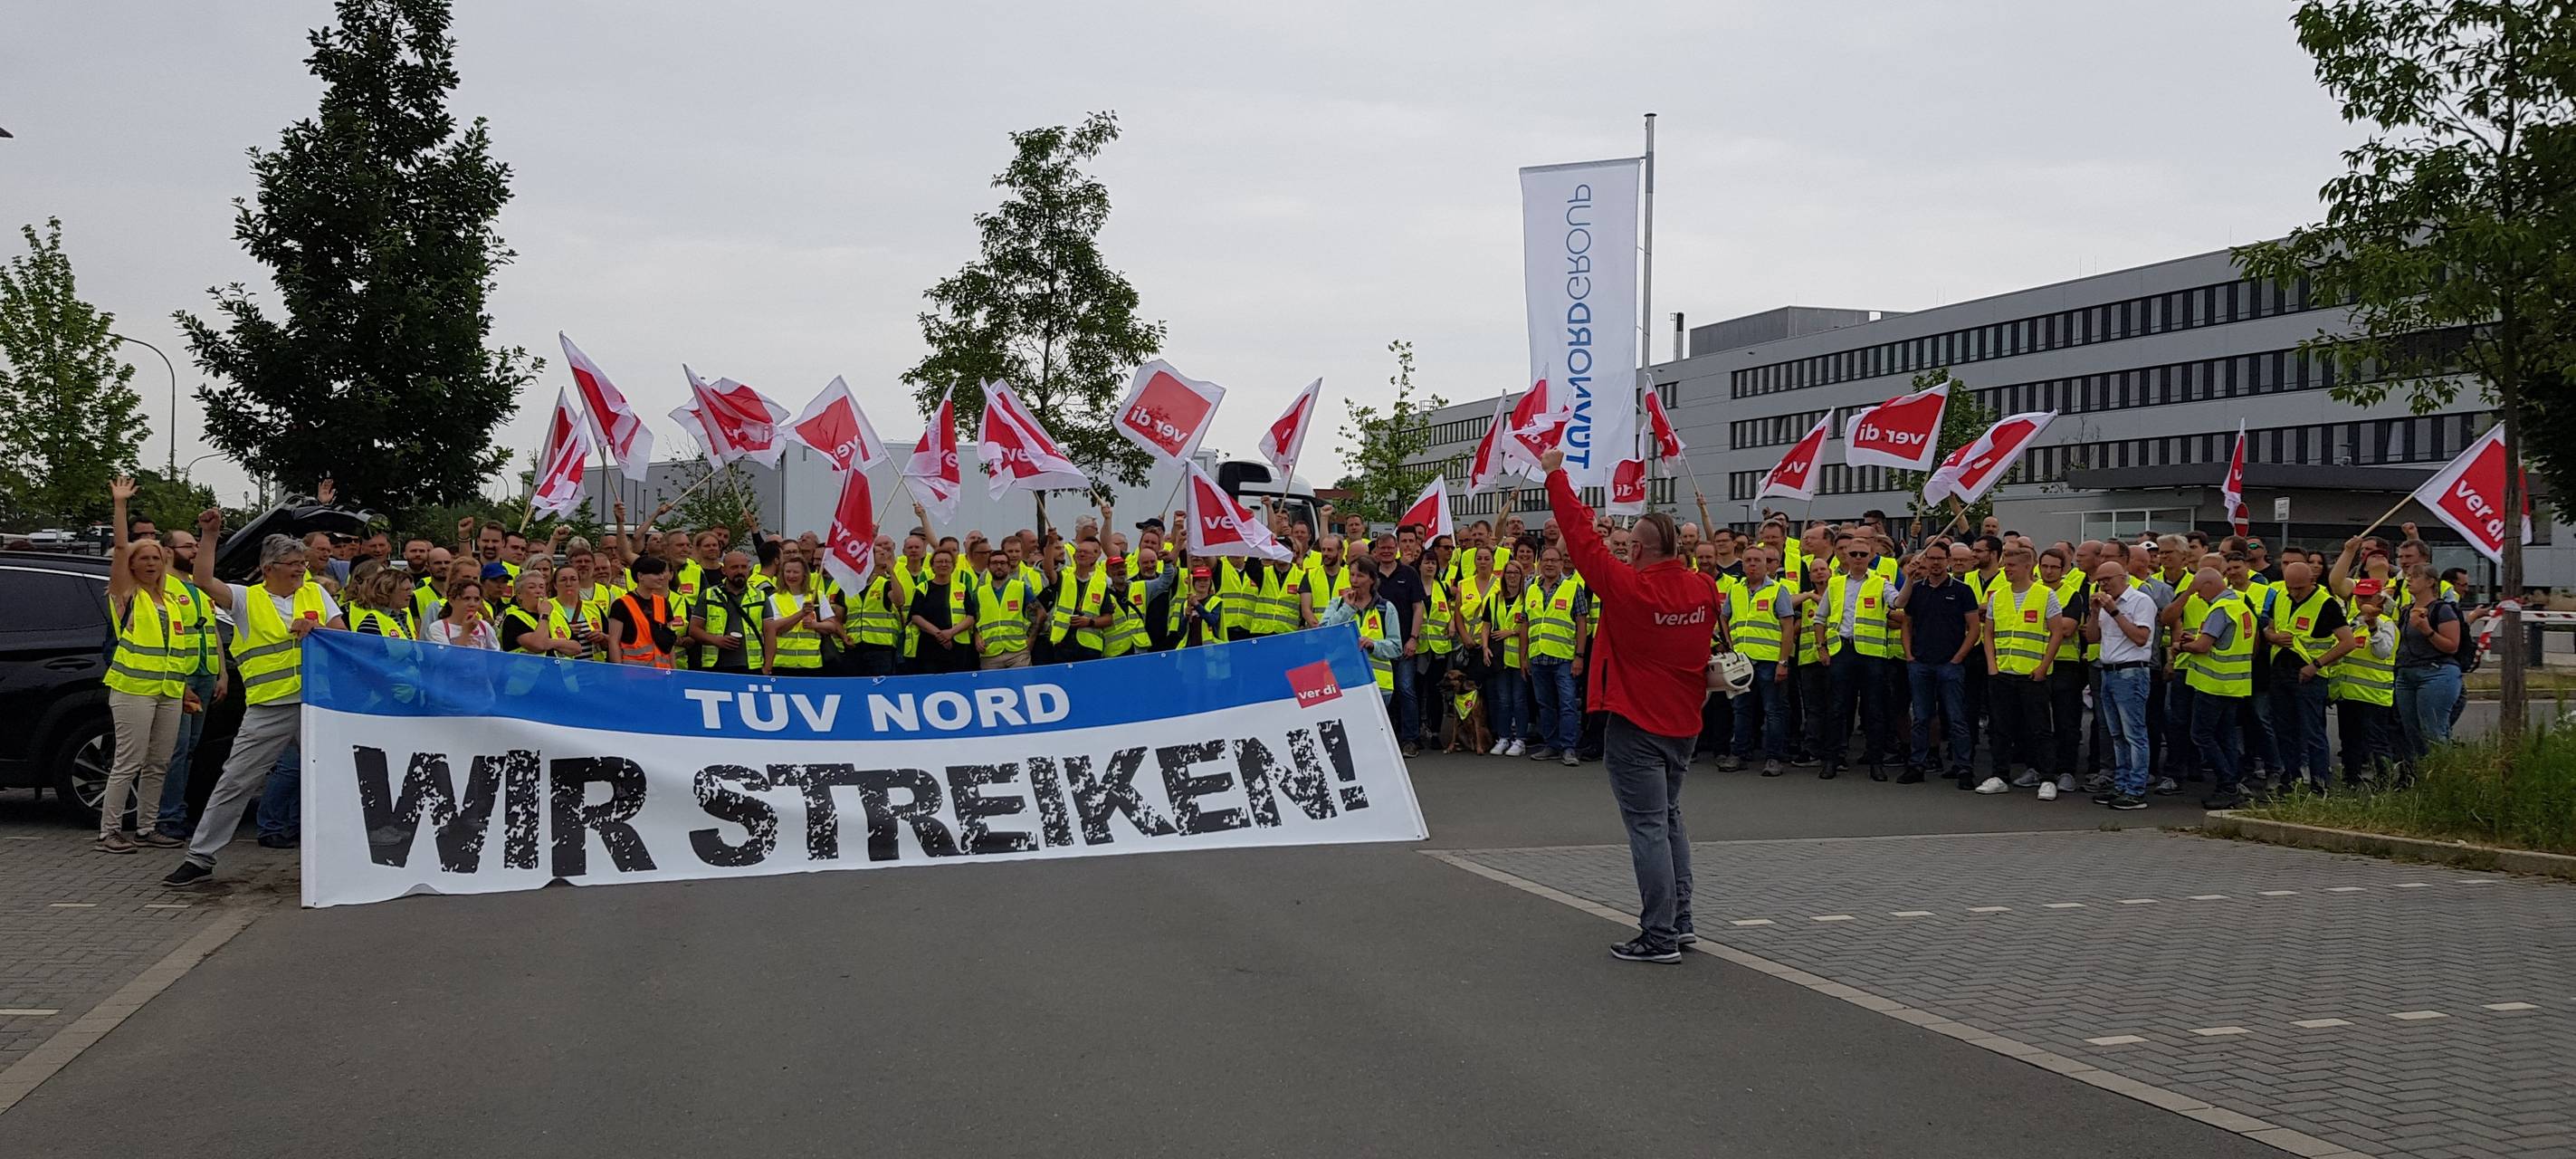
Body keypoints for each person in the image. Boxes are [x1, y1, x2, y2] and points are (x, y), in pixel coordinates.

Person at [1537, 447, 1723, 964]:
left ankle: (1659, 935)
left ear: (1637, 550)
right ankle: (1680, 922)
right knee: (1669, 819)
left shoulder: (1629, 588)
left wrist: (1556, 475)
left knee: (1648, 828)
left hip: (1636, 722)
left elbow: (1580, 537)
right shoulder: (1704, 588)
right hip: (1685, 721)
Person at [165, 514, 347, 887]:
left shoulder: (317, 593)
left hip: (317, 704)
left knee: (338, 777)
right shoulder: (248, 599)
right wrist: (209, 536)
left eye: (302, 563)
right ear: (268, 568)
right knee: (235, 781)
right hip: (270, 707)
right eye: (293, 564)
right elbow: (203, 580)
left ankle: (350, 855)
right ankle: (199, 858)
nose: (301, 570)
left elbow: (344, 638)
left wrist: (317, 629)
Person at [99, 479, 192, 854]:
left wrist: (183, 687)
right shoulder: (127, 593)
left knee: (159, 762)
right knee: (129, 761)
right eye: (144, 558)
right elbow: (122, 548)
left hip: (168, 690)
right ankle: (108, 832)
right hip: (133, 689)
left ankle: (147, 828)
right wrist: (120, 505)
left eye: (156, 558)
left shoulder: (169, 599)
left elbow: (173, 650)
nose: (151, 563)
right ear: (132, 565)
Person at [1976, 544, 2066, 795]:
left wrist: (2043, 667)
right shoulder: (1997, 597)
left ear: (2028, 567)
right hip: (2002, 672)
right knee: (2000, 728)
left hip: (2032, 673)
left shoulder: (2045, 595)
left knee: (2039, 728)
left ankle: (2047, 777)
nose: (2006, 570)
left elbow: (2057, 633)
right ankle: (1999, 775)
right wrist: (1992, 665)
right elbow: (1989, 632)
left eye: (2012, 566)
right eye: (2005, 565)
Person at [2259, 561, 2350, 793]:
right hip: (2280, 672)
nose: (2294, 592)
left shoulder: (2326, 604)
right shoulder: (2281, 597)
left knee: (2312, 732)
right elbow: (2270, 628)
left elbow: (2347, 642)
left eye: (2299, 588)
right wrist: (2273, 637)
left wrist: (2316, 665)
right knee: (2284, 730)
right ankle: (2291, 779)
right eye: (2290, 587)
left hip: (2309, 675)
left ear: (2312, 581)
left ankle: (2320, 784)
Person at [1896, 544, 1981, 788]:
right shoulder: (1916, 590)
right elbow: (1906, 623)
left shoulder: (1962, 590)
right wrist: (1909, 655)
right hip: (1920, 663)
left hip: (1950, 664)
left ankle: (1963, 768)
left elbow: (1974, 627)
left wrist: (1959, 657)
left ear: (1948, 560)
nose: (1935, 563)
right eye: (1930, 559)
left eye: (1940, 559)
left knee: (1956, 718)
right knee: (1921, 717)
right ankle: (1917, 765)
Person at [2178, 567, 2256, 809]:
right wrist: (2197, 641)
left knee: (2201, 735)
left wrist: (2182, 647)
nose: (2198, 596)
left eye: (2198, 590)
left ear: (2209, 585)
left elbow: (2202, 647)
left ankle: (2227, 784)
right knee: (2226, 736)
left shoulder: (2220, 609)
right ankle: (2234, 782)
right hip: (2234, 685)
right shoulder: (2241, 606)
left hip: (2212, 684)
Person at [2082, 561, 2157, 810]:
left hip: (2131, 671)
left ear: (2123, 577)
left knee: (2134, 734)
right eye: (2099, 581)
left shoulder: (2140, 601)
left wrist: (2114, 612)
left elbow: (2140, 638)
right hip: (2108, 671)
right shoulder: (2105, 605)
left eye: (2108, 579)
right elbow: (2092, 638)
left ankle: (2136, 789)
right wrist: (2095, 613)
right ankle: (2121, 783)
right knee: (2116, 734)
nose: (2103, 585)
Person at [1722, 545, 1797, 775]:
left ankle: (1774, 757)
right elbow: (1724, 617)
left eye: (1757, 560)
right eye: (1748, 560)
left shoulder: (1778, 590)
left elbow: (1788, 627)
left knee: (1773, 711)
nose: (1752, 564)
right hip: (1741, 661)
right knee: (1741, 709)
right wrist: (1730, 645)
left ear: (1767, 565)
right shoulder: (1735, 589)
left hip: (1769, 661)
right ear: (1742, 564)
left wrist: (1783, 662)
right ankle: (1739, 754)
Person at [2391, 559, 2464, 764]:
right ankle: (2422, 772)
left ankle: (2442, 772)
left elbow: (2452, 646)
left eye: (2415, 577)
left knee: (2433, 731)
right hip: (2406, 674)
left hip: (2435, 672)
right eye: (2408, 577)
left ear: (2430, 582)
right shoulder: (2406, 610)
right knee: (2411, 731)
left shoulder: (2442, 609)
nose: (2409, 581)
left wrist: (2426, 630)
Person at [1522, 545, 1586, 765]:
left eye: (1553, 560)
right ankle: (1551, 745)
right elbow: (1526, 624)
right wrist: (1523, 657)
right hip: (1538, 657)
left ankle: (1568, 748)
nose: (1549, 564)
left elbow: (1581, 623)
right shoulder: (1531, 589)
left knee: (1567, 704)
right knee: (1545, 704)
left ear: (1561, 563)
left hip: (1564, 658)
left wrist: (1579, 656)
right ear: (1539, 564)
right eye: (1545, 560)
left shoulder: (1573, 588)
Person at [2331, 580, 2399, 784]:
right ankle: (2351, 780)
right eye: (2359, 596)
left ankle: (2384, 782)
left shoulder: (2386, 623)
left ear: (2379, 599)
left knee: (2377, 742)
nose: (2362, 600)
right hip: (2348, 694)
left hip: (2374, 695)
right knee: (2350, 741)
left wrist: (2373, 627)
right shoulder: (2352, 622)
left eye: (2367, 597)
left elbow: (2383, 652)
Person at [1317, 557, 1402, 714]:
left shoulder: (1386, 608)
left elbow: (1396, 648)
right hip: (1341, 683)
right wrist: (1347, 609)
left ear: (1372, 579)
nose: (1354, 580)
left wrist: (1374, 645)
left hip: (1377, 685)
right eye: (1352, 575)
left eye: (1360, 576)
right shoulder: (1337, 604)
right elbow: (1323, 636)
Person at [689, 551, 765, 674]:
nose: (740, 571)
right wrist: (716, 640)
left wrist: (767, 667)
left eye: (744, 567)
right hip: (715, 667)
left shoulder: (760, 597)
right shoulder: (709, 595)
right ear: (724, 571)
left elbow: (769, 633)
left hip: (752, 667)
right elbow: (694, 630)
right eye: (734, 567)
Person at [761, 554, 837, 675]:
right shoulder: (774, 599)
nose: (791, 576)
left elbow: (833, 626)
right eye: (788, 572)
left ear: (804, 575)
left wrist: (815, 625)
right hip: (783, 664)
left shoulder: (817, 596)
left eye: (796, 572)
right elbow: (775, 628)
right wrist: (801, 614)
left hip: (811, 664)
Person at [906, 547, 978, 674]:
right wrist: (940, 635)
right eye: (939, 561)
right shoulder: (923, 588)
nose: (943, 564)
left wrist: (950, 633)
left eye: (947, 561)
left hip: (958, 647)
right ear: (932, 566)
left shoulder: (962, 588)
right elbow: (915, 616)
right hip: (929, 646)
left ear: (953, 566)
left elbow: (971, 617)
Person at [607, 556, 682, 668]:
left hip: (661, 672)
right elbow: (613, 641)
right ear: (640, 576)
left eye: (662, 573)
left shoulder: (663, 603)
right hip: (633, 673)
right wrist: (618, 671)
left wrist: (674, 671)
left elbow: (668, 642)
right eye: (656, 574)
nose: (661, 577)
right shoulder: (621, 604)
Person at [426, 577, 499, 649]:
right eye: (467, 598)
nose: (472, 604)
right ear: (451, 600)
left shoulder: (485, 627)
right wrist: (466, 632)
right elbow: (446, 656)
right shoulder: (438, 628)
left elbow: (496, 654)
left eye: (476, 599)